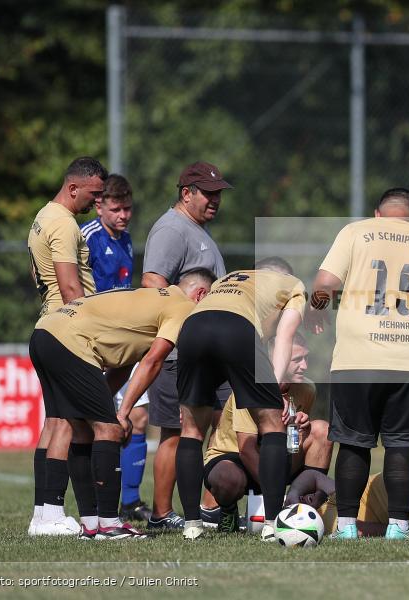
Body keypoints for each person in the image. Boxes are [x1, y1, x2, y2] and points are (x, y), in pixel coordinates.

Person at [306, 187, 409, 540]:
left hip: (355, 359)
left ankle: (345, 526)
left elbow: (325, 284)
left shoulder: (354, 232)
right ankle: (399, 527)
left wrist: (313, 309)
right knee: (401, 444)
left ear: (377, 214)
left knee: (353, 441)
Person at [29, 269, 215, 539]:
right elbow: (153, 361)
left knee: (80, 426)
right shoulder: (183, 307)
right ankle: (109, 524)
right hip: (71, 339)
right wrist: (121, 414)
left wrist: (108, 408)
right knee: (108, 429)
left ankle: (91, 524)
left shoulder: (152, 300)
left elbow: (123, 366)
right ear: (200, 294)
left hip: (45, 332)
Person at [174, 268, 306, 540]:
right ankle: (272, 523)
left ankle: (191, 525)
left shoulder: (231, 277)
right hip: (236, 328)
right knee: (272, 425)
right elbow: (284, 337)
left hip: (192, 327)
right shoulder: (295, 287)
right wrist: (275, 385)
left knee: (191, 430)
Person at [140, 161, 230, 531]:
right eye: (207, 193)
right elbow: (151, 284)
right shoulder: (172, 229)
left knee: (225, 421)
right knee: (175, 432)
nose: (215, 200)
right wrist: (182, 327)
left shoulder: (198, 230)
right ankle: (162, 514)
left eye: (218, 194)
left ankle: (209, 507)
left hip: (209, 351)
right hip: (179, 351)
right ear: (186, 193)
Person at [26, 156, 106, 536]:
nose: (96, 202)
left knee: (55, 420)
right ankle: (53, 513)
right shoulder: (63, 222)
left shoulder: (43, 215)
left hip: (47, 323)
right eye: (94, 194)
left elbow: (40, 277)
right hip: (67, 329)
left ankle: (43, 513)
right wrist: (90, 330)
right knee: (69, 424)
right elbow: (70, 285)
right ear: (73, 188)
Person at [201, 331, 333, 530]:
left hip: (275, 455)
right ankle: (228, 511)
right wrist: (275, 496)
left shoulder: (307, 389)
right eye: (297, 359)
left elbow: (292, 441)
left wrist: (298, 426)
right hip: (235, 456)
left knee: (322, 430)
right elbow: (246, 450)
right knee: (228, 479)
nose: (305, 366)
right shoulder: (250, 389)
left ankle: (304, 509)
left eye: (306, 358)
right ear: (276, 360)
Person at [80, 173, 150, 522]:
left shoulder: (126, 239)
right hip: (94, 342)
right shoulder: (86, 237)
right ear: (99, 205)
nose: (123, 215)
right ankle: (91, 499)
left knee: (138, 416)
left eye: (128, 208)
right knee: (96, 422)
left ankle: (131, 500)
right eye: (116, 208)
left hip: (123, 342)